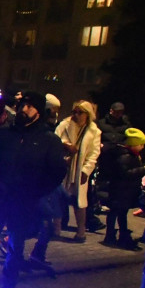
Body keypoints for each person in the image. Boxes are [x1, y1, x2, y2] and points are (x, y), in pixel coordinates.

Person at [0, 91, 67, 288]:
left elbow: (57, 171)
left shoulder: (48, 140)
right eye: (22, 106)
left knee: (15, 249)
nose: (23, 110)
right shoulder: (4, 135)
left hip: (23, 201)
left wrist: (36, 190)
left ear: (38, 110)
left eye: (29, 106)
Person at [52, 100, 101, 244]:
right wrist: (65, 145)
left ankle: (81, 231)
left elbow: (94, 153)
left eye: (80, 113)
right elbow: (54, 139)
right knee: (58, 199)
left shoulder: (94, 131)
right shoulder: (64, 125)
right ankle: (56, 229)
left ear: (87, 114)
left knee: (79, 202)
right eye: (75, 112)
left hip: (79, 170)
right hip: (63, 168)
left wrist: (86, 170)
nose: (76, 115)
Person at [98, 127, 145, 249]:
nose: (142, 147)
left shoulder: (130, 155)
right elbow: (125, 173)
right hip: (121, 191)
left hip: (124, 191)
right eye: (141, 144)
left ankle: (119, 235)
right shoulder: (126, 156)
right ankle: (113, 236)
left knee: (120, 213)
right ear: (134, 144)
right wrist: (143, 170)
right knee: (116, 212)